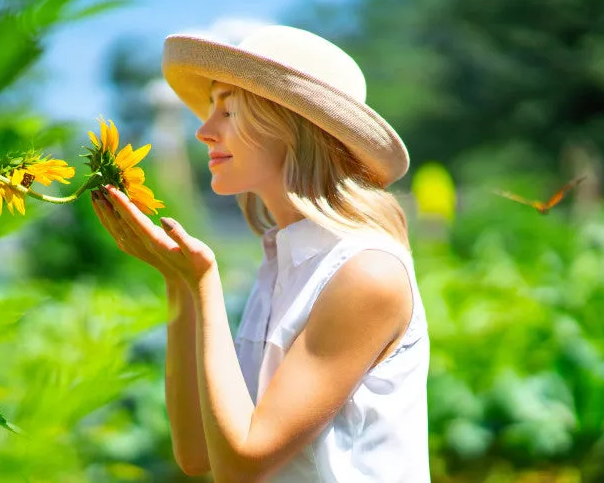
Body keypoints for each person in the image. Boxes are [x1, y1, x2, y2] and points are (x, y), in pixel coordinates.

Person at [91, 25, 430, 482]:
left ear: (289, 127)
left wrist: (201, 283)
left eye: (229, 110)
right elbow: (197, 454)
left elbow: (239, 466)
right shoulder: (282, 265)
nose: (204, 132)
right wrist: (178, 283)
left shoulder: (364, 273)